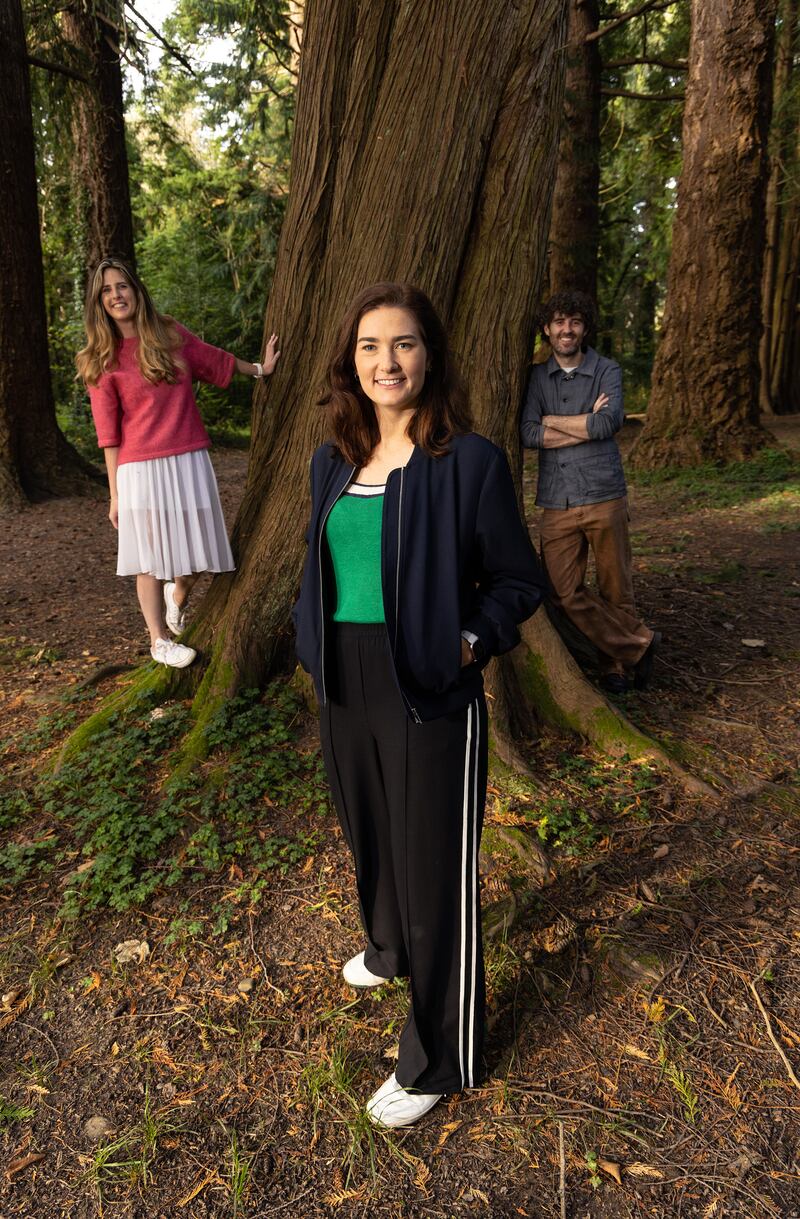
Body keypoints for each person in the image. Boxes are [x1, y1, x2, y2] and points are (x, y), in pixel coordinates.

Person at [293, 282, 545, 1128]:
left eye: (402, 344)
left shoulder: (467, 461)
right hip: (343, 675)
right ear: (350, 359)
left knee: (435, 868)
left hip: (430, 684)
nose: (385, 361)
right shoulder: (332, 457)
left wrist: (468, 642)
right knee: (367, 825)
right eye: (370, 345)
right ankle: (389, 945)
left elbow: (518, 580)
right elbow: (321, 563)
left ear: (428, 355)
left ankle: (441, 1053)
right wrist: (309, 643)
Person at [76, 257, 280, 667]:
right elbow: (109, 437)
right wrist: (114, 495)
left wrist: (260, 368)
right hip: (139, 469)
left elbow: (213, 359)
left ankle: (179, 593)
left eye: (122, 286)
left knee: (201, 546)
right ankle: (159, 640)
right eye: (106, 290)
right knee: (148, 559)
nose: (116, 295)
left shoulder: (169, 333)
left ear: (135, 290)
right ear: (98, 302)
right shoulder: (100, 360)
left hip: (188, 457)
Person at [520, 290, 658, 694]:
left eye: (575, 322)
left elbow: (606, 425)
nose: (567, 329)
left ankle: (615, 666)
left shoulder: (606, 370)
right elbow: (529, 432)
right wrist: (582, 422)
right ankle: (641, 643)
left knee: (617, 587)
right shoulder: (535, 378)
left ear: (585, 328)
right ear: (547, 329)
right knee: (561, 592)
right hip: (556, 499)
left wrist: (554, 421)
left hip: (604, 493)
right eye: (560, 322)